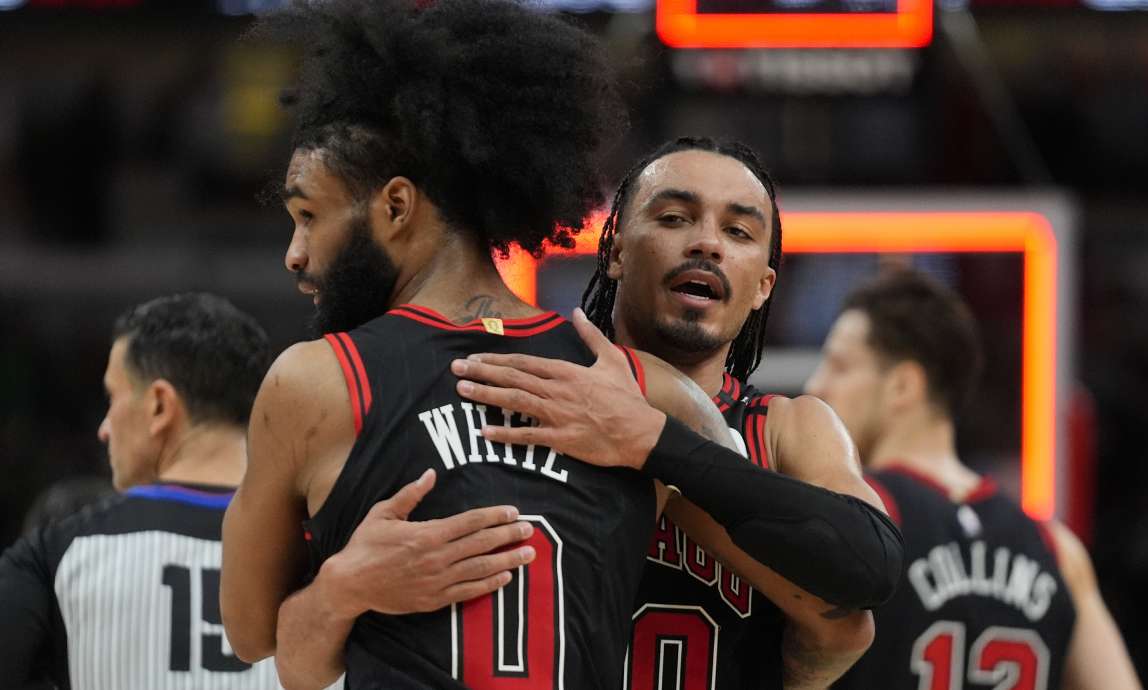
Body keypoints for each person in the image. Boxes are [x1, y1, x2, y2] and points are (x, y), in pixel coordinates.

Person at [219, 3, 747, 690]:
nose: (294, 256)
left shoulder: (315, 382)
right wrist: (346, 586)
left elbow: (250, 634)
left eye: (308, 217)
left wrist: (339, 590)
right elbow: (828, 606)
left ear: (397, 207)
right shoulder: (645, 390)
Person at [452, 137, 905, 688]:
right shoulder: (532, 389)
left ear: (763, 287)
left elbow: (871, 568)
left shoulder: (787, 428)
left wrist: (653, 445)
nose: (707, 243)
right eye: (674, 218)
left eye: (738, 232)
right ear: (616, 252)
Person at [805, 269, 1142, 690]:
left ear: (903, 386)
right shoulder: (1057, 550)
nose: (816, 385)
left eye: (839, 366)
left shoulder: (857, 510)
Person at [0, 292, 282, 689]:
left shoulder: (57, 553)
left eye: (112, 397)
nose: (104, 427)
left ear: (159, 407)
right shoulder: (335, 553)